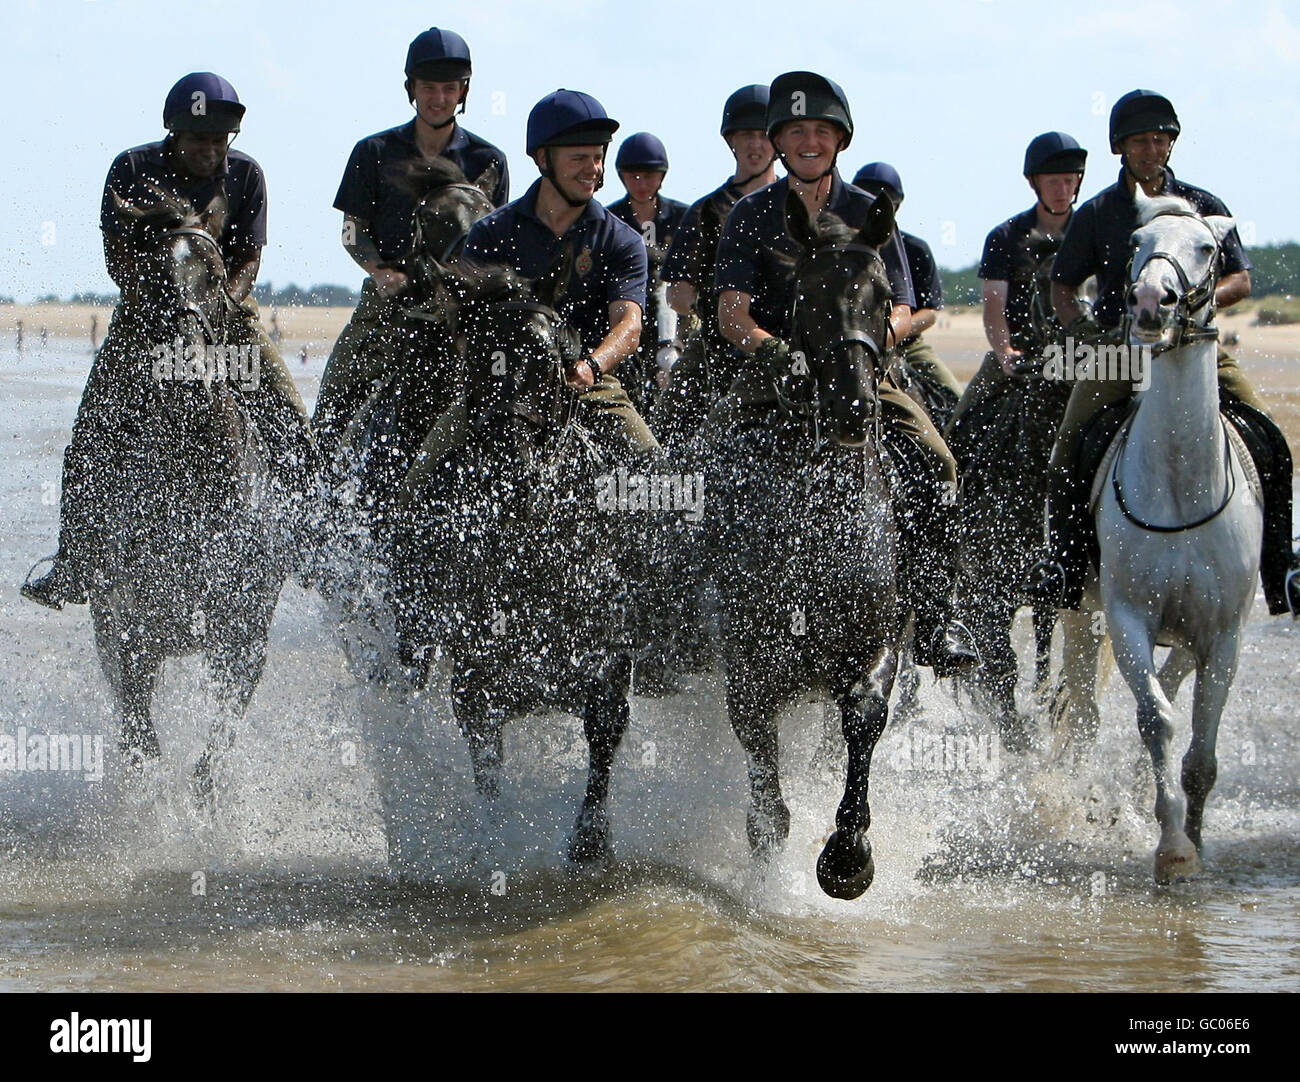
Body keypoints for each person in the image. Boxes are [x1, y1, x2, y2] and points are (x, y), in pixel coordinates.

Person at [712, 70, 977, 675]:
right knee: (709, 459)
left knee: (937, 463)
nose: (810, 141)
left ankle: (936, 619)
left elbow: (906, 306)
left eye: (822, 131)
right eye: (797, 130)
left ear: (840, 140)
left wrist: (871, 343)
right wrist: (777, 352)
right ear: (779, 140)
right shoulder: (751, 214)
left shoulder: (867, 210)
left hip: (862, 369)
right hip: (777, 369)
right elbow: (732, 314)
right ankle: (700, 611)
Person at [23, 73, 318, 610]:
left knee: (291, 422)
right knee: (93, 429)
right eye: (197, 141)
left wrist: (216, 307)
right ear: (174, 134)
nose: (209, 151)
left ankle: (311, 543)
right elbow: (118, 259)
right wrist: (166, 303)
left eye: (217, 142)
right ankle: (75, 560)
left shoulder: (247, 175)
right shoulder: (131, 170)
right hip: (146, 318)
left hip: (226, 317)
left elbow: (249, 259)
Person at [1028, 90, 1300, 616]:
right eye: (1140, 142)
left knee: (1269, 435)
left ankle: (1282, 567)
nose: (1152, 150)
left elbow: (1240, 278)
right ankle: (1062, 564)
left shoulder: (1205, 207)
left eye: (1160, 140)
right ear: (1120, 148)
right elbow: (1063, 288)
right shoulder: (1099, 213)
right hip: (1122, 351)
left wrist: (1193, 306)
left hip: (1196, 346)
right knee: (1070, 443)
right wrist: (1086, 336)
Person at [401, 88, 655, 500]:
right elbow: (467, 320)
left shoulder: (622, 239)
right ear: (542, 159)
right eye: (579, 158)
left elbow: (629, 326)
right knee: (414, 489)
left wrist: (591, 366)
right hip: (503, 380)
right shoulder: (491, 232)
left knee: (657, 477)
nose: (593, 168)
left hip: (586, 381)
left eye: (597, 156)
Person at [313, 27, 510, 458]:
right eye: (428, 88)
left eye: (448, 89)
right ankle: (317, 471)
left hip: (464, 305)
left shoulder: (488, 160)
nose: (438, 98)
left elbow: (497, 244)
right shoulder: (373, 151)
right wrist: (378, 272)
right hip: (393, 298)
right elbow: (351, 231)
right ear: (411, 89)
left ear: (463, 92)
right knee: (337, 396)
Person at [653, 84, 778, 449]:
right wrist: (713, 304)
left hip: (788, 341)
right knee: (665, 430)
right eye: (746, 136)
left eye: (764, 136)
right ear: (731, 142)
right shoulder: (705, 212)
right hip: (718, 341)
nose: (756, 146)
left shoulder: (798, 206)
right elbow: (677, 294)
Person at [946, 131, 1087, 434]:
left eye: (1069, 180)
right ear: (1034, 182)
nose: (1062, 190)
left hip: (1083, 354)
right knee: (960, 427)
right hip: (1023, 353)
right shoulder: (1005, 237)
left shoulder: (1092, 233)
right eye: (1053, 182)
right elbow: (993, 305)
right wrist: (1004, 352)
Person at [853, 161, 962, 416]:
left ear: (897, 206)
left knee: (957, 400)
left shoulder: (916, 249)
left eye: (883, 201)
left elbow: (931, 313)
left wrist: (891, 334)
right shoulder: (843, 250)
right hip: (853, 343)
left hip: (909, 347)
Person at [605, 133, 689, 411]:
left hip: (677, 321)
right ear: (622, 176)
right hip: (624, 316)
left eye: (649, 176)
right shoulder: (607, 221)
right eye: (634, 176)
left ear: (661, 176)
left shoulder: (684, 218)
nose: (641, 184)